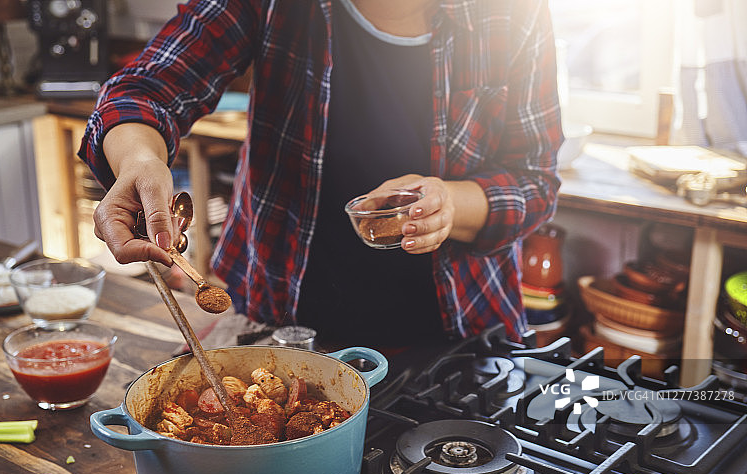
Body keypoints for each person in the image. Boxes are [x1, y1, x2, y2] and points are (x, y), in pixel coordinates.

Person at [80, 0, 563, 349]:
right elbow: (145, 88)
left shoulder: (512, 14)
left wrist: (450, 204)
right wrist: (141, 162)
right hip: (275, 322)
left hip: (459, 339)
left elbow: (535, 181)